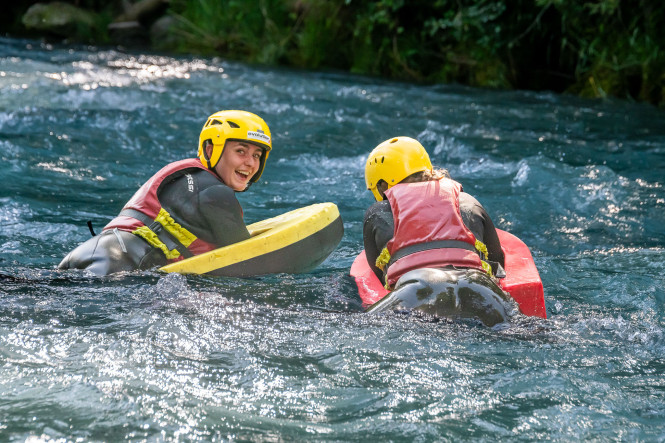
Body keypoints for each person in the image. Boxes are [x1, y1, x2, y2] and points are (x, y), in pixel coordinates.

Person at [59, 110, 272, 276]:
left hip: (91, 252)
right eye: (240, 151)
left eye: (257, 155)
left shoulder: (189, 176)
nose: (250, 163)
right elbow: (246, 261)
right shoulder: (215, 192)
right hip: (120, 265)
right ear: (210, 149)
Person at [362, 136, 514, 326]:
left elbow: (380, 276)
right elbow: (497, 262)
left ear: (382, 185)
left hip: (416, 292)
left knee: (353, 322)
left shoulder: (378, 212)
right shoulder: (467, 200)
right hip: (481, 289)